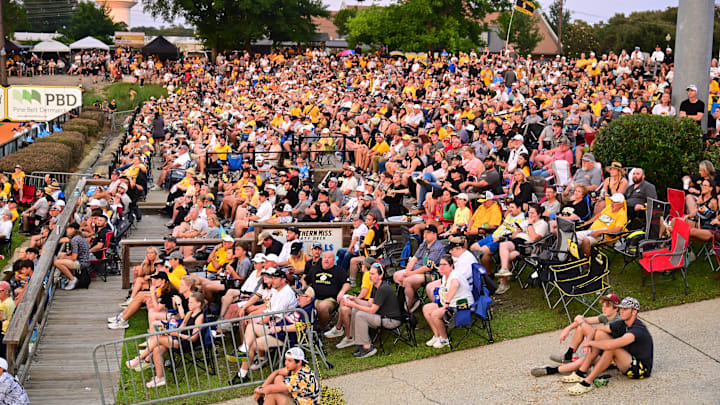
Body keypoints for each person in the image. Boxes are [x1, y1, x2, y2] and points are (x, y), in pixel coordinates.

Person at [563, 297, 654, 396]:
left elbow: (611, 344)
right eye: (621, 308)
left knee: (612, 348)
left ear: (634, 312)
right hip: (626, 359)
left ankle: (587, 383)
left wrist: (591, 343)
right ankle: (581, 373)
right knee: (599, 334)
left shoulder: (637, 330)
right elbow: (597, 330)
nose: (622, 311)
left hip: (640, 370)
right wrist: (587, 339)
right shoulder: (623, 323)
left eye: (625, 309)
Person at [531, 293, 621, 377]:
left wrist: (587, 340)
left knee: (582, 361)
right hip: (601, 350)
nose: (604, 308)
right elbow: (583, 320)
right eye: (603, 305)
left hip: (611, 356)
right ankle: (568, 355)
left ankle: (551, 370)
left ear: (616, 308)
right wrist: (568, 328)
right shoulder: (606, 316)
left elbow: (593, 331)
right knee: (581, 327)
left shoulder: (618, 322)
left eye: (608, 306)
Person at [338, 263, 402, 358]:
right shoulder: (375, 286)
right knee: (355, 310)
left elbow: (372, 310)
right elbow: (369, 304)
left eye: (373, 274)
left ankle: (367, 347)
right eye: (370, 274)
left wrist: (353, 304)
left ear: (380, 276)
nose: (370, 277)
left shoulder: (383, 289)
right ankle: (359, 343)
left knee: (360, 315)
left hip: (391, 320)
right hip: (381, 316)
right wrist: (354, 299)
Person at [422, 254, 474, 349]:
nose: (441, 266)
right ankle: (437, 336)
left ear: (451, 266)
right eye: (440, 264)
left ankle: (445, 339)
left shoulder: (454, 275)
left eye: (444, 264)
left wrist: (447, 303)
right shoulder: (445, 276)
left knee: (435, 314)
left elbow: (455, 285)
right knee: (426, 308)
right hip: (450, 304)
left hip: (461, 306)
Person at [495, 203, 549, 294]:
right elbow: (513, 237)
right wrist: (517, 231)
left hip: (529, 247)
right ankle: (504, 276)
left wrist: (530, 225)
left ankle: (504, 280)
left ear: (539, 214)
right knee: (505, 252)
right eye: (529, 213)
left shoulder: (542, 224)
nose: (530, 215)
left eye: (533, 213)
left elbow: (534, 238)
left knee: (504, 250)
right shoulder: (526, 221)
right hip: (518, 243)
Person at [392, 224, 445, 312]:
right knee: (397, 276)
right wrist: (407, 271)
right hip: (416, 271)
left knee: (407, 280)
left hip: (430, 274)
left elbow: (428, 267)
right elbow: (413, 259)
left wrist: (410, 274)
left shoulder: (437, 248)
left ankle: (407, 308)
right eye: (424, 232)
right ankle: (412, 298)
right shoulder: (424, 244)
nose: (425, 235)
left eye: (428, 233)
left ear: (435, 235)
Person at [251, 347, 320, 405]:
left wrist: (258, 390)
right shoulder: (302, 368)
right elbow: (277, 372)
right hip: (299, 400)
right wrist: (262, 387)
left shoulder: (299, 377)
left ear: (299, 362)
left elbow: (270, 389)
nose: (286, 363)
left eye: (289, 361)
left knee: (272, 395)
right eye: (285, 360)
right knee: (278, 378)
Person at [305, 251, 350, 330]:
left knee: (322, 306)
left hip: (330, 299)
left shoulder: (339, 270)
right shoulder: (315, 269)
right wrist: (304, 286)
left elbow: (347, 284)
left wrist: (342, 292)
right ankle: (304, 327)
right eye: (325, 257)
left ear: (333, 260)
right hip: (314, 298)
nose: (326, 260)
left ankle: (322, 328)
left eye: (329, 258)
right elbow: (305, 279)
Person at [577, 193, 628, 258]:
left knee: (586, 241)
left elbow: (618, 229)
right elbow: (599, 215)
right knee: (573, 236)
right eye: (612, 201)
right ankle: (572, 258)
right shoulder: (609, 207)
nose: (612, 203)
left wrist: (600, 231)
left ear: (621, 204)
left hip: (604, 234)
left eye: (615, 202)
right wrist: (587, 222)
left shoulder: (621, 214)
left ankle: (585, 263)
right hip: (592, 230)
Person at [53, 222, 91, 290]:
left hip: (81, 263)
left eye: (68, 229)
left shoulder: (75, 240)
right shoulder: (80, 237)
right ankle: (70, 277)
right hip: (85, 261)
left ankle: (72, 279)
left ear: (72, 229)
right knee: (61, 256)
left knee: (56, 262)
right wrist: (66, 254)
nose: (67, 231)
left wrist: (64, 257)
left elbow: (73, 258)